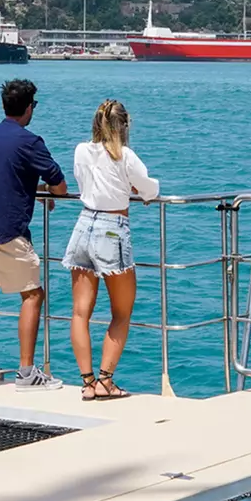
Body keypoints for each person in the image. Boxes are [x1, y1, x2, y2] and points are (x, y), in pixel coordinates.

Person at [0, 79, 68, 389]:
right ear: (28, 108)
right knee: (33, 295)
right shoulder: (30, 142)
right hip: (7, 231)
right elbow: (60, 186)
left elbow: (0, 177)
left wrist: (29, 187)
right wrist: (44, 190)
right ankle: (26, 372)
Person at [63, 98, 160, 400]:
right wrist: (133, 189)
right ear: (124, 126)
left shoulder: (81, 150)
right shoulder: (126, 156)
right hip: (112, 228)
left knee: (80, 313)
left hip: (82, 226)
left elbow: (84, 182)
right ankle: (106, 380)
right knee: (121, 312)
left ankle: (88, 383)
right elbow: (150, 190)